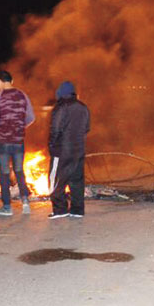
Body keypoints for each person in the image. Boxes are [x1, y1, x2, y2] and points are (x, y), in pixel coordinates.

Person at [0, 70, 35, 216]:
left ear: (0, 82)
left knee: (4, 173)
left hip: (3, 141)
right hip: (18, 140)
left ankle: (7, 207)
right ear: (12, 81)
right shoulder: (23, 95)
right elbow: (31, 117)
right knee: (19, 171)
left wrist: (2, 127)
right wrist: (19, 127)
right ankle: (25, 202)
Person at [47, 81, 90, 219]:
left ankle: (60, 209)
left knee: (55, 180)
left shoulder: (60, 107)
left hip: (62, 151)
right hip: (79, 149)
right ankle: (77, 210)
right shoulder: (83, 107)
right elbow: (87, 128)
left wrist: (52, 147)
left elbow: (55, 130)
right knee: (77, 180)